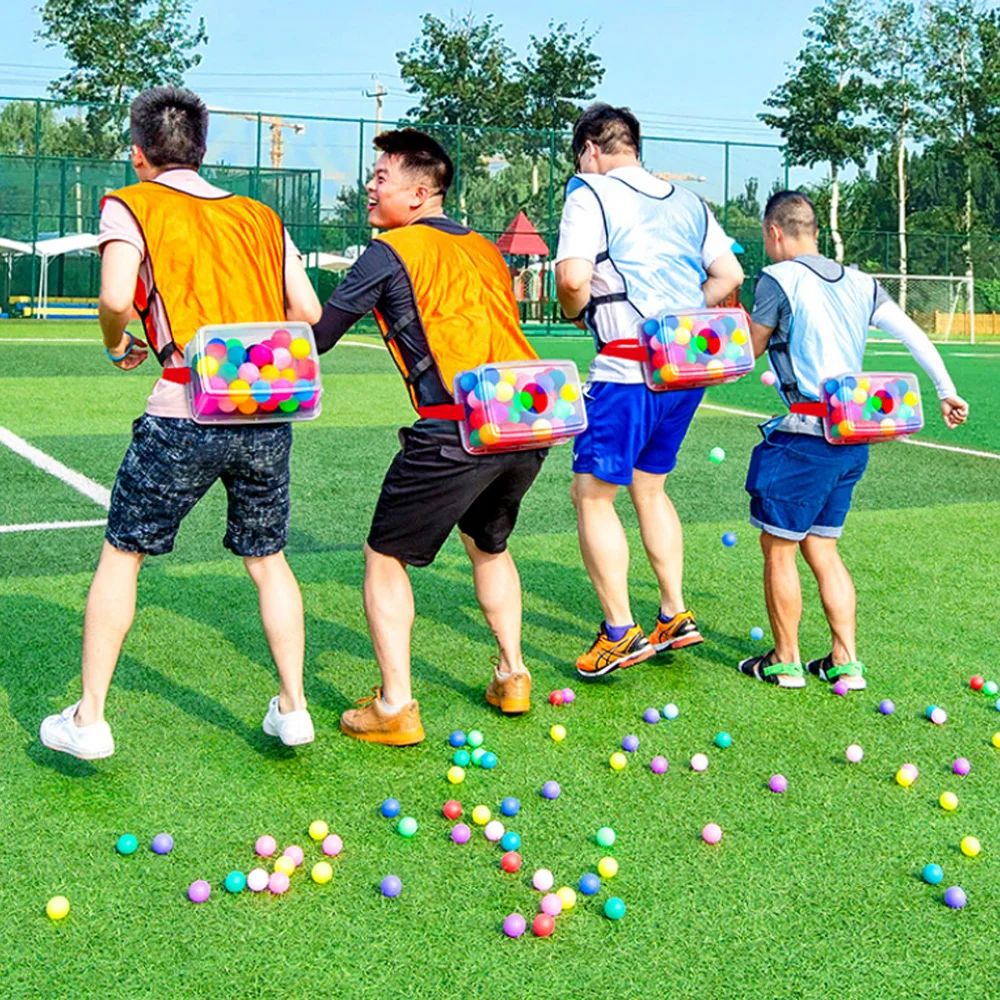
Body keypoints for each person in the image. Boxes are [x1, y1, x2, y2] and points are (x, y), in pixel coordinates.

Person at [39, 86, 323, 760]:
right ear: (201, 148)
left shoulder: (130, 204)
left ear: (139, 154)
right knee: (268, 559)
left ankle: (91, 719)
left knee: (123, 551)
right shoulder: (259, 214)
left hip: (183, 404)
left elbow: (114, 295)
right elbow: (308, 310)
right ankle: (294, 707)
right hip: (265, 410)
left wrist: (116, 342)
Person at [312, 128, 545, 745]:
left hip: (454, 431)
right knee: (487, 546)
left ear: (417, 194)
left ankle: (395, 706)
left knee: (384, 557)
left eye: (381, 177)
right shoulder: (485, 249)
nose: (370, 185)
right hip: (525, 424)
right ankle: (513, 674)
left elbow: (318, 338)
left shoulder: (389, 253)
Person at [738, 190, 969, 689]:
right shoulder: (862, 282)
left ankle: (786, 660)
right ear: (814, 230)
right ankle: (846, 660)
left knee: (778, 547)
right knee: (823, 547)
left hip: (806, 436)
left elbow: (748, 351)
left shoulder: (778, 279)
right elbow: (913, 333)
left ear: (775, 233)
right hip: (852, 438)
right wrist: (946, 391)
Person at [555, 103, 744, 679]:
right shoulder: (688, 201)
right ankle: (673, 614)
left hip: (625, 370)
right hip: (681, 373)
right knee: (651, 490)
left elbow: (570, 277)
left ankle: (619, 632)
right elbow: (730, 276)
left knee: (592, 495)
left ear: (590, 148)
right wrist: (683, 315)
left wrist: (577, 311)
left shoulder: (588, 191)